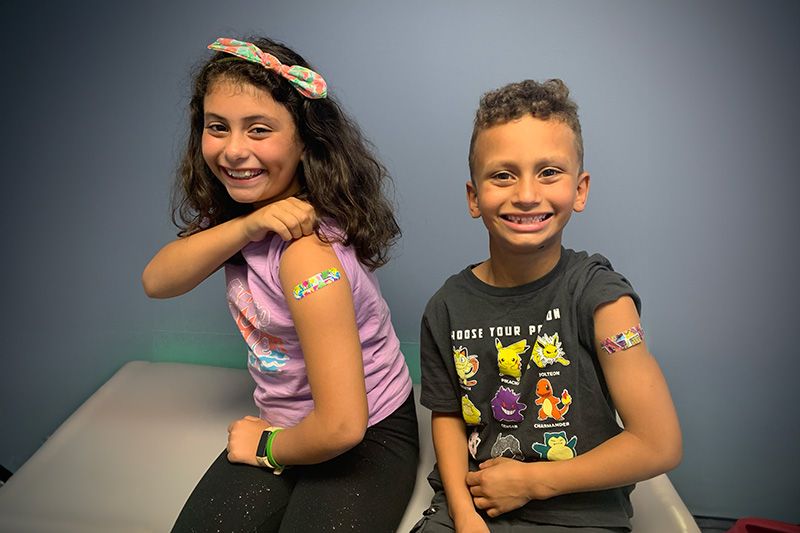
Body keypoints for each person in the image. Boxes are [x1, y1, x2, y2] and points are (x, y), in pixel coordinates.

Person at [142, 36, 418, 532]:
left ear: (305, 140)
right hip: (291, 421)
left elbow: (341, 427)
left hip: (367, 432)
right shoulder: (249, 222)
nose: (233, 149)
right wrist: (250, 223)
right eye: (217, 127)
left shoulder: (306, 257)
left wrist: (265, 447)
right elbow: (157, 281)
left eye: (259, 129)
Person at [414, 79, 682, 532]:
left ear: (580, 190)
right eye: (503, 175)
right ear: (474, 197)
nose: (526, 194)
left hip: (578, 515)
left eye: (549, 172)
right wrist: (462, 514)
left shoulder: (602, 300)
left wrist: (535, 482)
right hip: (472, 510)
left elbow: (659, 444)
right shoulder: (446, 306)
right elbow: (448, 417)